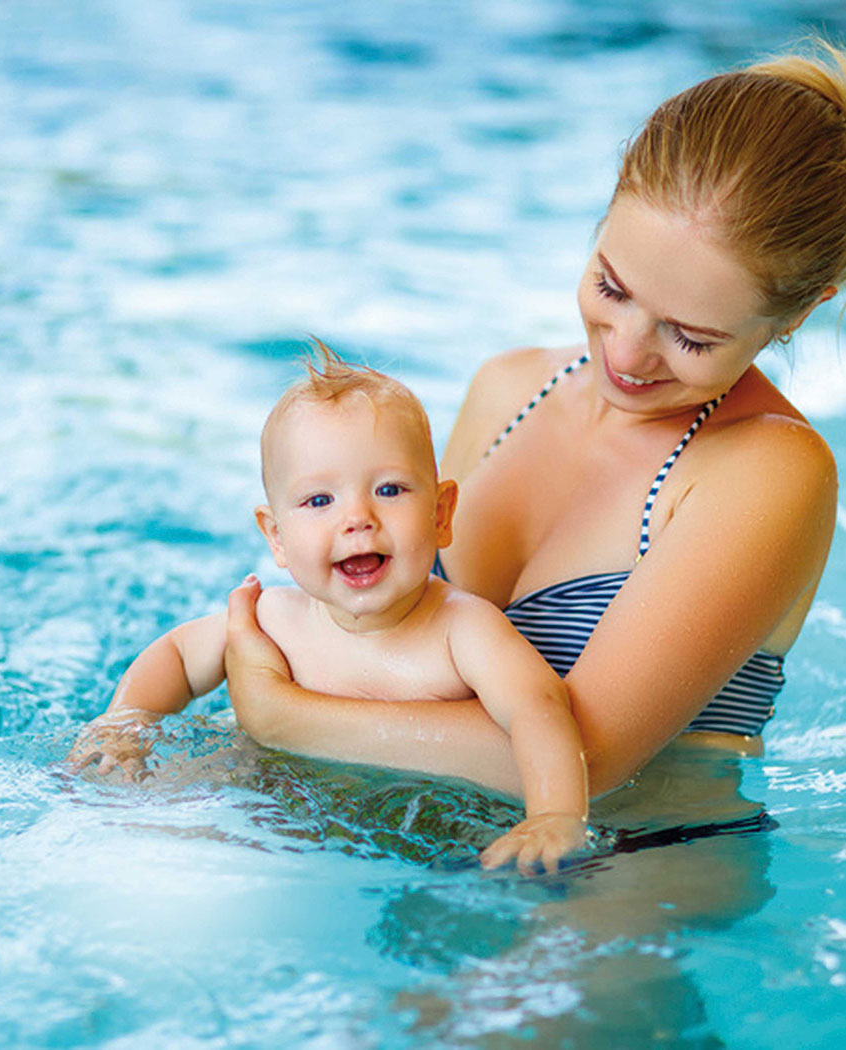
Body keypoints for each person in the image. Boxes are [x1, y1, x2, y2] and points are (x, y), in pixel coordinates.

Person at [222, 42, 843, 803]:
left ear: (801, 312)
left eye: (691, 337)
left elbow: (587, 759)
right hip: (405, 840)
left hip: (627, 878)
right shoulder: (507, 387)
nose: (625, 353)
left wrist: (280, 715)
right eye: (610, 287)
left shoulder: (767, 469)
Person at [69, 347, 589, 873]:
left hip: (414, 843)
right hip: (266, 810)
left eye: (389, 489)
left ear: (440, 514)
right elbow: (178, 656)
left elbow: (537, 710)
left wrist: (555, 814)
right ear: (276, 536)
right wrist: (124, 727)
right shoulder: (274, 621)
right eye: (320, 501)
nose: (357, 518)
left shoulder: (464, 630)